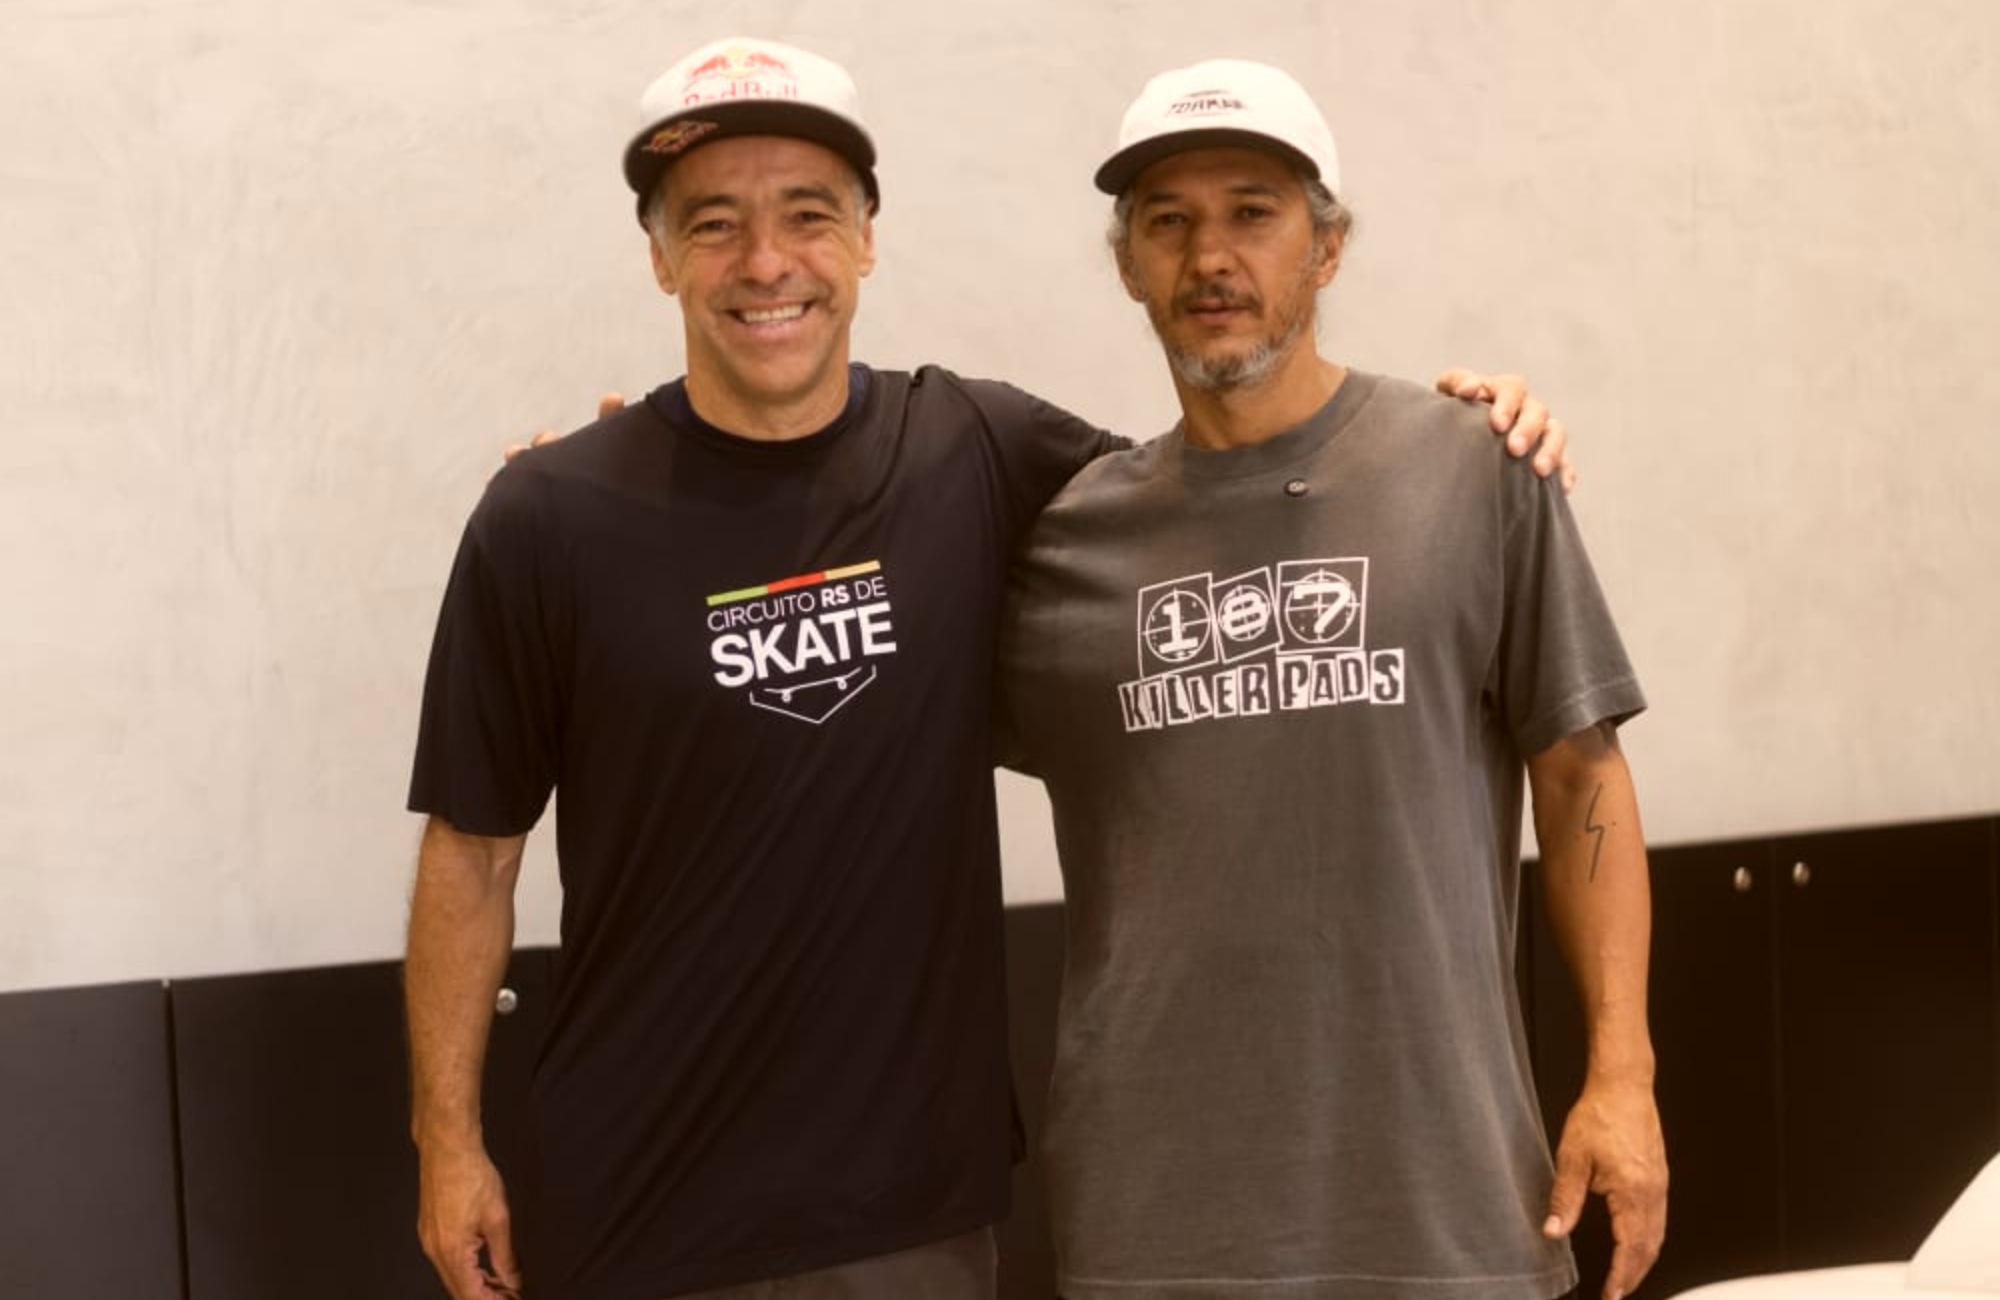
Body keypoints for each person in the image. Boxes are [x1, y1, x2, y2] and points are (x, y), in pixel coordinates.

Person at [404, 37, 1569, 1300]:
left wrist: (1442, 435)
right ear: (658, 254)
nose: (765, 263)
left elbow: (1223, 485)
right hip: (634, 1208)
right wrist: (446, 1143)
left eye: (807, 215)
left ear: (866, 237)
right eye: (713, 223)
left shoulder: (971, 447)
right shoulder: (550, 516)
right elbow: (471, 852)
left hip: (909, 1218)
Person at [997, 59, 1667, 1300]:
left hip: (1444, 1209)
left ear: (1326, 247)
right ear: (1127, 263)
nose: (1210, 257)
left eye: (1252, 213)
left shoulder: (1473, 467)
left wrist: (1619, 1076)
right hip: (1156, 1228)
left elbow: (1581, 776)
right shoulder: (1062, 544)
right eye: (1167, 222)